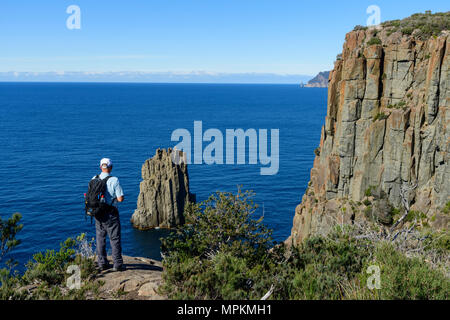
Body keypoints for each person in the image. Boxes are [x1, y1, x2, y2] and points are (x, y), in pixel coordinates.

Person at [92, 158, 125, 272]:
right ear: (111, 167)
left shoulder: (94, 179)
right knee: (114, 239)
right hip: (110, 214)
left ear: (101, 167)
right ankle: (117, 264)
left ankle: (102, 263)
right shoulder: (114, 180)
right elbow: (120, 199)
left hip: (97, 214)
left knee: (100, 238)